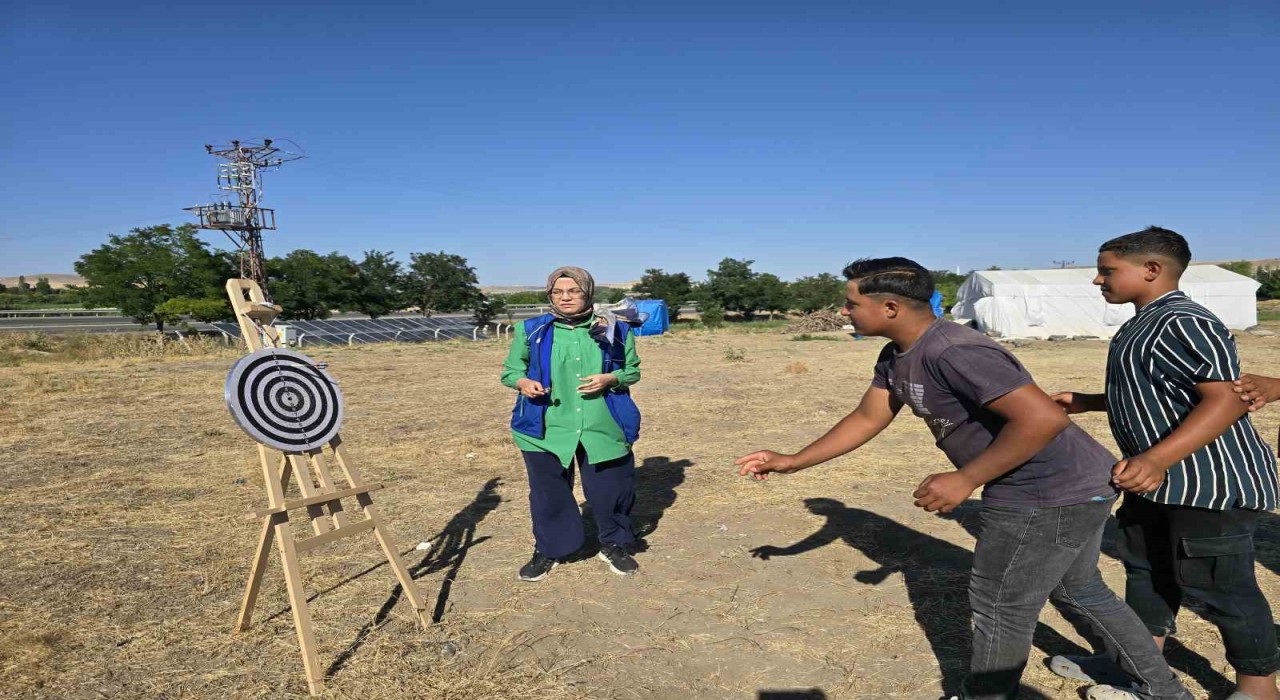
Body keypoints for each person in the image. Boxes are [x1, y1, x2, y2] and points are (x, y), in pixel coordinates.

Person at [735, 257, 1189, 700]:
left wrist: (965, 478)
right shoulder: (896, 356)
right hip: (1067, 483)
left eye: (851, 303)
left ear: (890, 307)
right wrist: (794, 460)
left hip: (1047, 489)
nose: (844, 312)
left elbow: (1043, 419)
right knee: (1080, 589)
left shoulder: (955, 350)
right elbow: (869, 415)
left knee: (1000, 604)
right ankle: (1162, 689)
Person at [1051, 227, 1279, 700]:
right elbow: (1160, 393)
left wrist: (1156, 458)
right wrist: (1091, 401)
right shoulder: (1142, 321)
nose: (1097, 280)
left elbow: (1226, 400)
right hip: (1158, 483)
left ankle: (1259, 688)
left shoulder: (1183, 321)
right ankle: (1137, 664)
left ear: (1152, 270)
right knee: (1146, 569)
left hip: (1209, 483)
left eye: (1107, 270)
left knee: (1223, 588)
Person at [500, 266, 644, 581]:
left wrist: (611, 378)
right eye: (558, 292)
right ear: (550, 295)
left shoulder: (614, 328)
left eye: (573, 291)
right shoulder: (531, 330)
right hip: (545, 428)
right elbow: (510, 371)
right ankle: (549, 549)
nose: (565, 297)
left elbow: (632, 370)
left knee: (611, 491)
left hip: (603, 425)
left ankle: (614, 544)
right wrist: (523, 382)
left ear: (587, 292)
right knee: (548, 493)